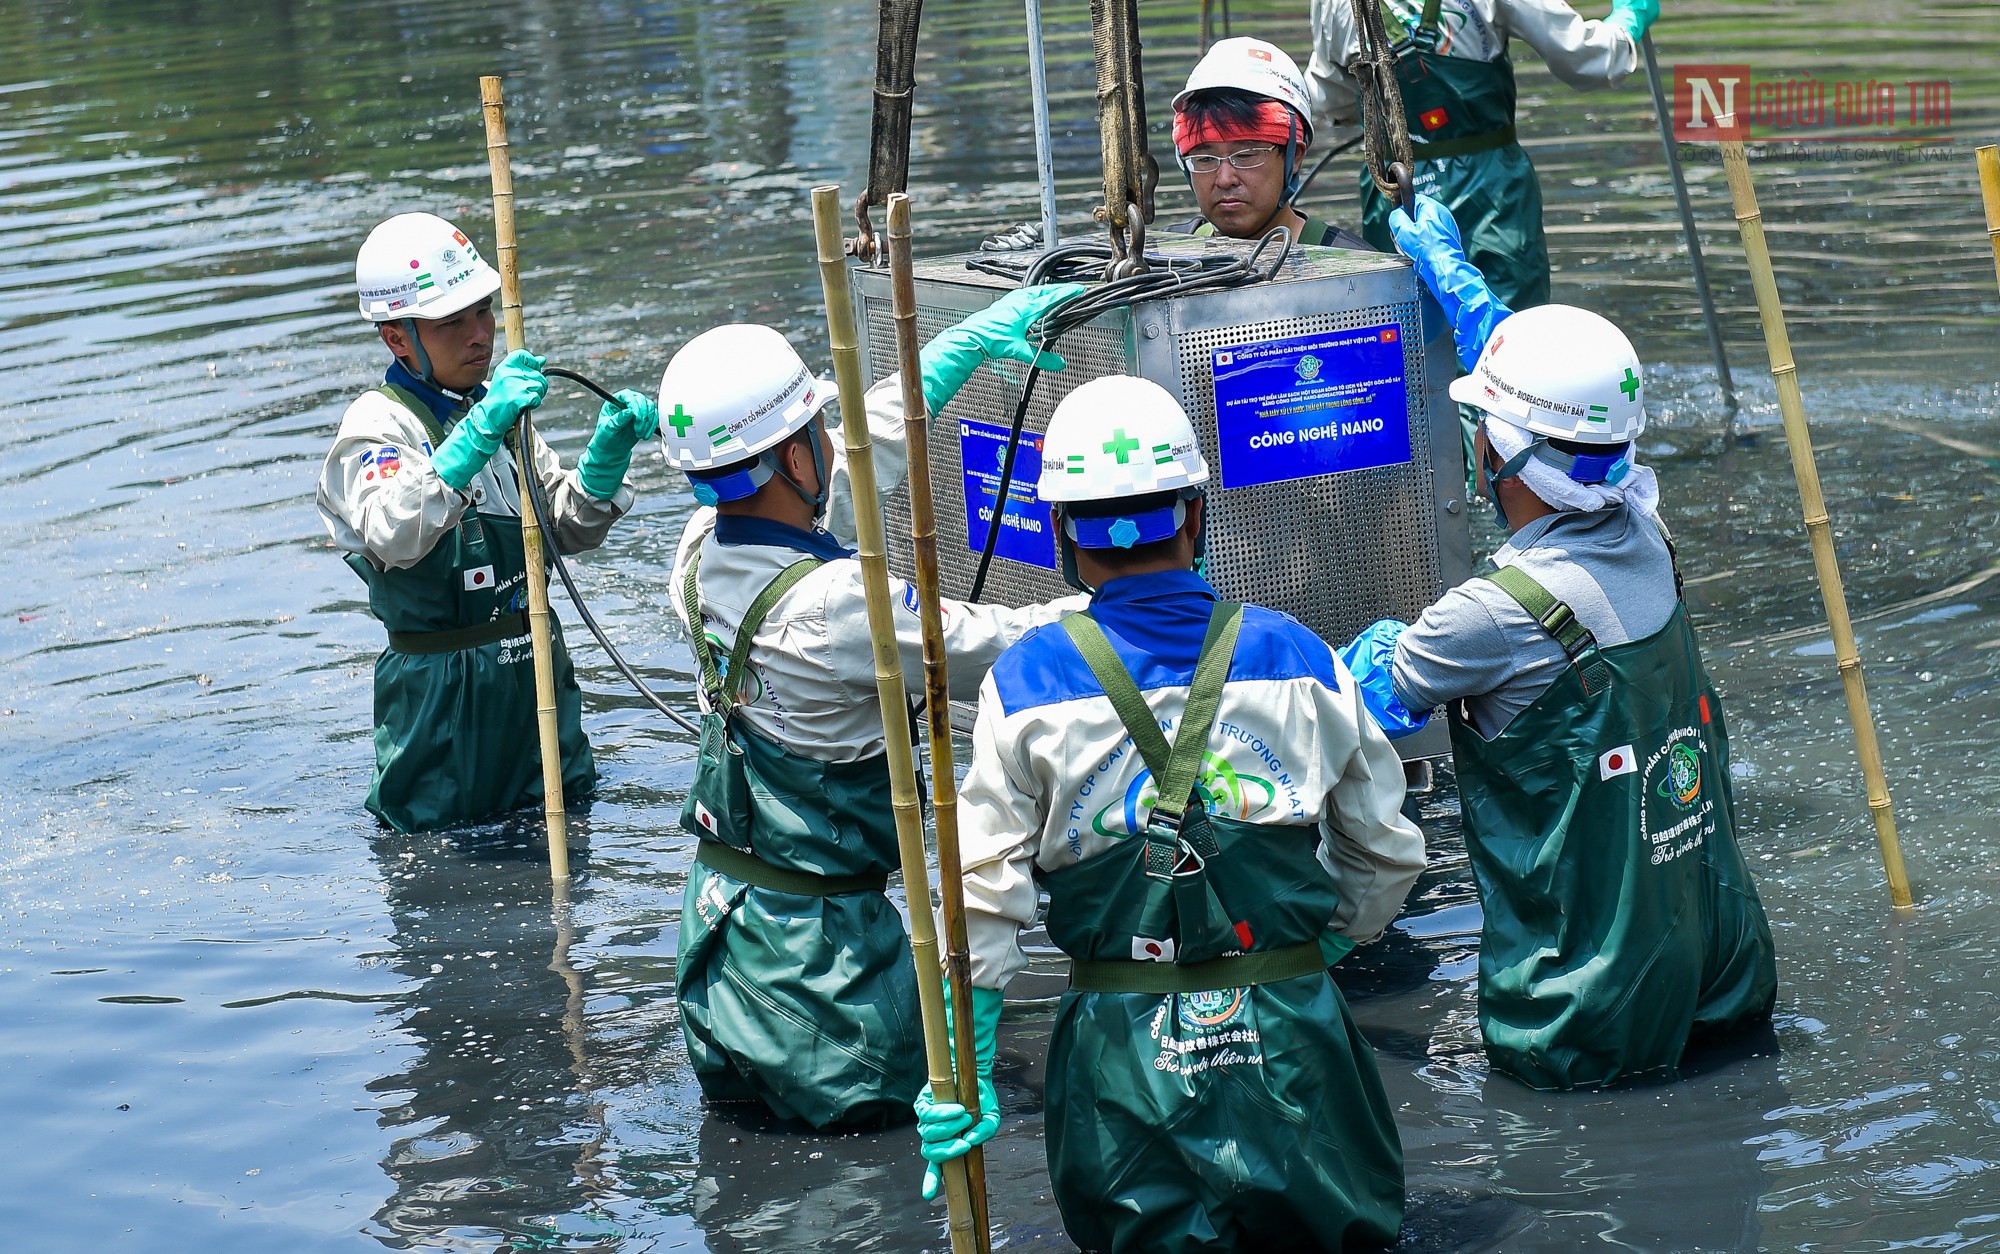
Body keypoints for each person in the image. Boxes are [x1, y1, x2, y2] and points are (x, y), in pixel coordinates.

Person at [914, 374, 1427, 1251]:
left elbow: (981, 896)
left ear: (1065, 533)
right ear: (1195, 514)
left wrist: (966, 1068)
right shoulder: (1298, 655)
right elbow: (1384, 852)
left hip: (1120, 1061)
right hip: (1289, 1035)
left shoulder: (1025, 682)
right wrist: (1320, 949)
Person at [1339, 194, 1777, 1091]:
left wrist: (1368, 652)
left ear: (1497, 455)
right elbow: (1567, 413)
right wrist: (1463, 290)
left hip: (1585, 1018)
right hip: (1721, 975)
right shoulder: (1650, 531)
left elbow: (1351, 713)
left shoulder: (1490, 617)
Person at [664, 285, 1089, 1131]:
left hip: (722, 935)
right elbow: (997, 641)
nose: (835, 437)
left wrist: (952, 355)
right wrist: (1133, 597)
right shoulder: (836, 606)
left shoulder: (698, 548)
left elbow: (869, 445)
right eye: (817, 430)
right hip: (821, 971)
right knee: (888, 1153)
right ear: (790, 460)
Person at [318, 212, 657, 834]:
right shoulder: (378, 426)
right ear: (398, 339)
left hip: (534, 680)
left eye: (483, 311)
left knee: (566, 850)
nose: (480, 335)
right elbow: (392, 529)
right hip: (439, 700)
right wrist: (478, 435)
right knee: (437, 877)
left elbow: (564, 530)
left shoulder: (500, 411)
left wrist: (604, 462)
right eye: (453, 322)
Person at [1306, 0, 1660, 310]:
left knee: (1404, 343)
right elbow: (1587, 58)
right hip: (1491, 195)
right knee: (1510, 344)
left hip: (1395, 190)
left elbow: (1327, 98)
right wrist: (1628, 20)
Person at [1171, 36, 1371, 248]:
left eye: (1245, 155)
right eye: (1205, 159)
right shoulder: (1161, 255)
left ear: (1294, 156)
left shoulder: (1357, 266)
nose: (1225, 179)